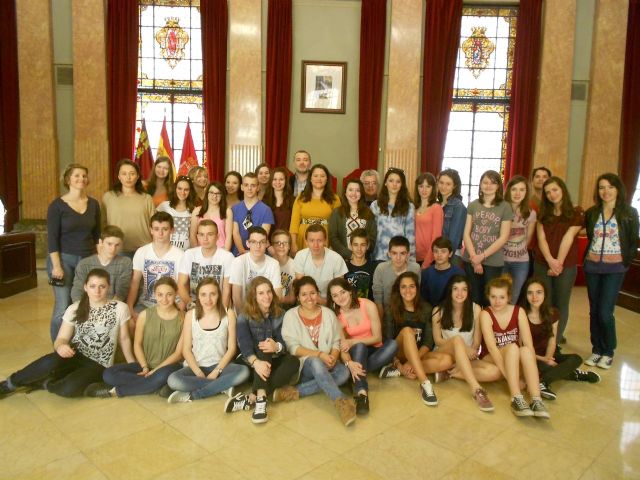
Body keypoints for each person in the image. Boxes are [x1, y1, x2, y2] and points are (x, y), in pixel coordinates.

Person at [0, 269, 134, 399]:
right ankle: (9, 385)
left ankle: (45, 383)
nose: (97, 291)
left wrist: (132, 365)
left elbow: (124, 339)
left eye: (102, 286)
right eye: (92, 286)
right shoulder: (75, 308)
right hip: (75, 354)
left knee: (69, 389)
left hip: (99, 364)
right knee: (48, 362)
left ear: (108, 287)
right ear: (85, 287)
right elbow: (61, 339)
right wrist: (61, 346)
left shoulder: (120, 308)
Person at [86, 277, 184, 398]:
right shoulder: (144, 315)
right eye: (160, 294)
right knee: (109, 374)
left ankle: (115, 392)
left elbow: (179, 354)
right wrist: (145, 367)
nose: (164, 299)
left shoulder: (183, 318)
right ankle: (154, 386)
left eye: (169, 294)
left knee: (162, 376)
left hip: (169, 366)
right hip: (145, 363)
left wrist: (156, 370)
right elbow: (137, 344)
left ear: (176, 294)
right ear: (155, 295)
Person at [279, 277, 356, 427]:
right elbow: (293, 348)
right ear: (298, 297)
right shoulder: (290, 316)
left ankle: (294, 391)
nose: (309, 298)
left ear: (317, 293)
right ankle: (340, 401)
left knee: (344, 374)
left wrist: (333, 358)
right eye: (304, 294)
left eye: (312, 293)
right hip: (305, 365)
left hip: (328, 361)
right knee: (315, 362)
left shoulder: (328, 314)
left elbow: (335, 341)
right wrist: (320, 355)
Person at [583, 173, 639, 369]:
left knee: (605, 312)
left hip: (615, 269)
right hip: (592, 267)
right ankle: (597, 349)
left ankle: (608, 351)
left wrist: (624, 263)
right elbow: (591, 237)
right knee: (594, 311)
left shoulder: (629, 213)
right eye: (601, 187)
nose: (605, 191)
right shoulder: (591, 213)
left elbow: (632, 242)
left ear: (618, 189)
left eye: (610, 187)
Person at [227, 277, 300, 423]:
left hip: (271, 362)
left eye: (268, 292)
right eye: (261, 293)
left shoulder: (281, 314)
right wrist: (256, 362)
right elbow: (244, 343)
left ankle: (252, 396)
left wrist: (277, 346)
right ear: (253, 296)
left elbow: (284, 341)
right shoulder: (244, 316)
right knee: (264, 347)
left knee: (293, 362)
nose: (266, 296)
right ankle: (261, 401)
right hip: (250, 361)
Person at [167, 278, 250, 403]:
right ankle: (222, 386)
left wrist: (217, 371)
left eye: (213, 294)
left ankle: (195, 395)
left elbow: (232, 349)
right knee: (173, 380)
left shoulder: (229, 314)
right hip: (196, 366)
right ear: (198, 297)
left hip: (220, 366)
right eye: (203, 295)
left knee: (244, 372)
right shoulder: (191, 315)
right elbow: (186, 349)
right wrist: (198, 371)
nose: (208, 299)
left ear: (218, 295)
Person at [479, 276, 549, 418]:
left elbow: (528, 344)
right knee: (513, 347)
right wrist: (510, 377)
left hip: (514, 355)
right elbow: (492, 348)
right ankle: (516, 397)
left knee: (525, 349)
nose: (497, 301)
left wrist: (531, 378)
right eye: (493, 297)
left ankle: (536, 399)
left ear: (509, 297)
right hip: (492, 356)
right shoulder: (485, 314)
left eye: (501, 297)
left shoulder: (519, 311)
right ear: (488, 296)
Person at [520, 278, 600, 400]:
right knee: (542, 367)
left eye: (539, 292)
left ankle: (544, 382)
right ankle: (572, 373)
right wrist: (543, 359)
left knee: (576, 358)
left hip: (547, 354)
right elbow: (521, 346)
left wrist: (548, 357)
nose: (534, 296)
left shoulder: (553, 313)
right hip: (530, 357)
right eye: (530, 293)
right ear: (525, 295)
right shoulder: (521, 314)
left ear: (545, 294)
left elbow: (552, 340)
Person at [47, 163, 101, 341]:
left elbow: (97, 235)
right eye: (76, 175)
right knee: (63, 306)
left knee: (83, 305)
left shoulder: (93, 204)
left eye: (84, 176)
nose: (81, 179)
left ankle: (78, 344)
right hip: (62, 261)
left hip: (87, 260)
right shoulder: (57, 206)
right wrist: (56, 266)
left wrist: (99, 260)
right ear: (68, 179)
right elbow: (52, 238)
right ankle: (57, 347)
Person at [328, 278, 397, 415]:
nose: (340, 297)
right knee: (359, 346)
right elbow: (343, 348)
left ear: (350, 291)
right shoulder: (336, 318)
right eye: (335, 295)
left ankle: (357, 374)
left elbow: (377, 337)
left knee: (393, 344)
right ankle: (361, 392)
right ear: (332, 299)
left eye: (343, 292)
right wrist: (349, 363)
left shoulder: (367, 305)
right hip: (358, 352)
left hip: (376, 349)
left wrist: (352, 341)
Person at [431, 275, 500, 412]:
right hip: (445, 354)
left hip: (467, 355)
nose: (460, 293)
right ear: (449, 291)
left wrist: (468, 352)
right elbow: (437, 340)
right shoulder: (438, 310)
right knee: (458, 340)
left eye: (464, 289)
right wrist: (461, 347)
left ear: (468, 291)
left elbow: (476, 342)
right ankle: (476, 390)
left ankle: (450, 374)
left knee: (495, 372)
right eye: (455, 289)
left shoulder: (476, 309)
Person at [383, 272, 446, 405]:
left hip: (418, 355)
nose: (408, 290)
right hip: (398, 354)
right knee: (407, 331)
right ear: (398, 289)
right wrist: (399, 364)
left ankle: (399, 372)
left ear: (417, 289)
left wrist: (411, 362)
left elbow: (428, 343)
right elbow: (388, 342)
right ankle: (425, 383)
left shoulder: (426, 308)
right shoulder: (391, 309)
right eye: (403, 287)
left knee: (447, 360)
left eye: (411, 286)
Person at [534, 176, 583, 343]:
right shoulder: (543, 212)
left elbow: (568, 238)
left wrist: (558, 263)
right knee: (544, 302)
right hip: (542, 263)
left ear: (562, 189)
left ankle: (556, 338)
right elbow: (541, 239)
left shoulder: (575, 212)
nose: (551, 195)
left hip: (566, 265)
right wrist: (550, 261)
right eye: (547, 192)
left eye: (554, 190)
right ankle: (544, 338)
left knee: (561, 302)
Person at [462, 170, 513, 307]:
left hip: (493, 260)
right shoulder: (473, 205)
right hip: (471, 259)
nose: (488, 185)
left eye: (493, 183)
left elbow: (503, 237)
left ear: (498, 186)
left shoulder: (505, 207)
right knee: (474, 297)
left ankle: (488, 327)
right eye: (485, 182)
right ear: (480, 184)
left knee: (490, 298)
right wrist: (474, 257)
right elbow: (466, 233)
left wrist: (482, 256)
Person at [126, 212, 184, 329]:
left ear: (172, 230)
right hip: (146, 304)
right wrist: (130, 308)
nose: (160, 233)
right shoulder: (141, 252)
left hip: (172, 305)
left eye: (165, 229)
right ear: (151, 230)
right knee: (130, 324)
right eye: (156, 229)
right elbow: (135, 283)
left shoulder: (180, 255)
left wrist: (181, 310)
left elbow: (183, 286)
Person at [101, 159, 155, 257]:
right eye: (124, 174)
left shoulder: (147, 198)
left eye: (132, 173)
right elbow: (103, 224)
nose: (128, 177)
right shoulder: (108, 197)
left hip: (144, 249)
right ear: (119, 176)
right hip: (117, 249)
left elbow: (154, 225)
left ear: (138, 176)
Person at [178, 220, 234, 310]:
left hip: (217, 304)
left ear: (217, 236)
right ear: (197, 237)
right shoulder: (189, 254)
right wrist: (191, 306)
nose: (205, 238)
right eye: (201, 234)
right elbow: (181, 285)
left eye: (210, 234)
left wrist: (222, 312)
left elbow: (226, 291)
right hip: (194, 304)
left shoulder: (227, 256)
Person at [71, 225, 132, 303]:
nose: (113, 249)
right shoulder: (84, 264)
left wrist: (107, 310)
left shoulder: (125, 263)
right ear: (100, 242)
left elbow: (121, 291)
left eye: (117, 245)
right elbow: (77, 291)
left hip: (113, 306)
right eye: (109, 244)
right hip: (88, 307)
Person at [289, 164, 341, 254]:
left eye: (322, 176)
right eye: (315, 176)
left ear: (327, 179)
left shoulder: (334, 198)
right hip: (303, 237)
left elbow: (338, 225)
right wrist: (293, 243)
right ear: (310, 178)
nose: (319, 179)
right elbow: (294, 223)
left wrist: (334, 244)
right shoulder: (301, 197)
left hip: (325, 238)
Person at [293, 224, 349, 304]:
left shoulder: (336, 258)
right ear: (306, 242)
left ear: (325, 241)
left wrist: (326, 303)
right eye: (312, 240)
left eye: (319, 240)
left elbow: (339, 289)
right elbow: (302, 287)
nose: (316, 245)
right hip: (306, 300)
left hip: (330, 301)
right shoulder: (300, 256)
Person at [503, 175, 537, 304]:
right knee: (500, 295)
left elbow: (528, 239)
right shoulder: (502, 209)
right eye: (514, 189)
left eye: (522, 190)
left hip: (521, 261)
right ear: (508, 190)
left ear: (526, 192)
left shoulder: (531, 213)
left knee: (514, 297)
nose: (517, 193)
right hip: (501, 260)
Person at [229, 226, 282, 307]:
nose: (258, 246)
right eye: (253, 242)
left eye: (262, 242)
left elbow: (277, 296)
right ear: (248, 243)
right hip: (244, 312)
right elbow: (236, 297)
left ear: (266, 244)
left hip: (267, 311)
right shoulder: (238, 262)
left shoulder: (274, 264)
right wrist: (244, 319)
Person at [371, 168, 416, 261]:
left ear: (402, 185)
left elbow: (410, 236)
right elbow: (372, 234)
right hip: (379, 256)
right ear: (385, 183)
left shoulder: (409, 207)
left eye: (398, 181)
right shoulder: (375, 205)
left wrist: (411, 260)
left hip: (400, 257)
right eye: (391, 181)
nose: (394, 184)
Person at [372, 235, 421, 320]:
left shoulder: (415, 268)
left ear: (408, 254)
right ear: (389, 254)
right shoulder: (381, 269)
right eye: (394, 253)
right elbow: (378, 300)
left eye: (402, 253)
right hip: (387, 314)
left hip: (409, 313)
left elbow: (416, 295)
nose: (398, 258)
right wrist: (381, 324)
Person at [328, 179, 376, 260]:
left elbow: (372, 238)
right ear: (345, 192)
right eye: (350, 190)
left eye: (357, 190)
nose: (354, 193)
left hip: (362, 260)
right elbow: (333, 238)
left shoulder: (368, 213)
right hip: (341, 259)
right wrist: (349, 255)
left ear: (361, 193)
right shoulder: (337, 213)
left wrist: (360, 254)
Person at [232, 173, 274, 255]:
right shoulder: (234, 209)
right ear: (242, 187)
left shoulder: (266, 210)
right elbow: (235, 233)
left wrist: (252, 253)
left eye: (253, 185)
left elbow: (263, 235)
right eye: (246, 185)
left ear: (258, 188)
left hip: (258, 252)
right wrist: (242, 251)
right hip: (239, 253)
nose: (249, 188)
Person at [420, 236, 465, 307]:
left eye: (443, 251)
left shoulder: (459, 273)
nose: (439, 255)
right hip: (432, 312)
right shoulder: (426, 273)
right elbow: (423, 299)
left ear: (450, 254)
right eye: (436, 251)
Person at [190, 181, 233, 251]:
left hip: (220, 250)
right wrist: (196, 253)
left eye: (218, 193)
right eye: (211, 193)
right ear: (207, 194)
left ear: (222, 195)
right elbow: (192, 235)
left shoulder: (227, 211)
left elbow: (229, 236)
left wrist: (225, 254)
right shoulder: (197, 211)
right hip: (201, 251)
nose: (214, 196)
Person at [157, 175, 196, 250]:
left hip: (185, 252)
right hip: (166, 251)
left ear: (190, 191)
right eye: (180, 188)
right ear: (175, 189)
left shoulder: (194, 210)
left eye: (186, 189)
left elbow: (193, 235)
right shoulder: (164, 206)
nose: (182, 192)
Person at [414, 172, 444, 268]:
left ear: (433, 188)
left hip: (429, 258)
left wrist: (427, 261)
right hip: (412, 256)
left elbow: (436, 237)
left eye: (428, 186)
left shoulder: (436, 208)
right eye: (421, 186)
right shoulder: (413, 208)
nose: (424, 190)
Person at [437, 169, 467, 262]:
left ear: (454, 186)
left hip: (451, 255)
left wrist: (446, 256)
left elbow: (454, 239)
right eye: (441, 183)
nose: (443, 186)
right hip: (437, 253)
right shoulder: (436, 204)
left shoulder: (458, 206)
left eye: (448, 184)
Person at [344, 228, 378, 300]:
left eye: (363, 245)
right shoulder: (344, 266)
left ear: (367, 246)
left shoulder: (374, 267)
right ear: (350, 246)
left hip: (368, 308)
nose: (359, 249)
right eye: (355, 245)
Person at [263, 166, 295, 232]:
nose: (278, 182)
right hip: (269, 239)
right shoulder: (264, 201)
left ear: (286, 181)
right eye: (274, 179)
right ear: (271, 181)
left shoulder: (293, 200)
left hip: (286, 239)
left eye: (281, 179)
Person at [270, 229, 296, 307]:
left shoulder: (295, 265)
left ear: (289, 246)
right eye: (278, 243)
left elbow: (292, 299)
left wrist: (278, 300)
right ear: (273, 246)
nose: (281, 246)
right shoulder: (267, 263)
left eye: (285, 243)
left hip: (286, 306)